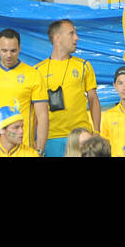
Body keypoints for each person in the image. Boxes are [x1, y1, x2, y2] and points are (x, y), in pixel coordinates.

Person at [35, 18, 101, 156]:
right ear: (57, 37)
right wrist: (34, 139)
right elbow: (34, 109)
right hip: (50, 137)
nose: (76, 37)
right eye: (71, 33)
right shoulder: (37, 71)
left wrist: (96, 131)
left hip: (80, 136)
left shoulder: (84, 66)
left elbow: (93, 99)